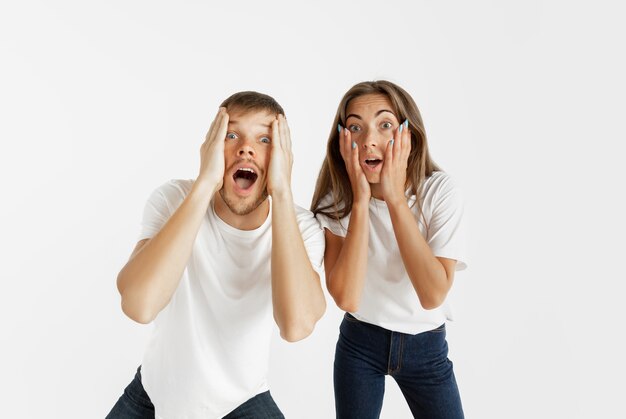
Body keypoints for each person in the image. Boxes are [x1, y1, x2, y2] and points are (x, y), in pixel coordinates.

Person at [107, 91, 326, 419]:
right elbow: (138, 306)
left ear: (283, 155)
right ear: (211, 145)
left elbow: (296, 326)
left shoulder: (301, 228)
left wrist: (281, 192)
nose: (246, 148)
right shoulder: (175, 198)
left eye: (265, 139)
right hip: (152, 395)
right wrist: (206, 183)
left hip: (243, 404)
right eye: (232, 135)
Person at [311, 80, 467, 419]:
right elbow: (347, 298)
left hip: (426, 347)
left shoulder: (439, 192)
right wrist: (362, 202)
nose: (369, 140)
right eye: (355, 127)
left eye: (385, 125)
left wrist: (395, 198)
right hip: (360, 343)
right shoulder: (336, 201)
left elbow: (432, 293)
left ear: (408, 134)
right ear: (343, 139)